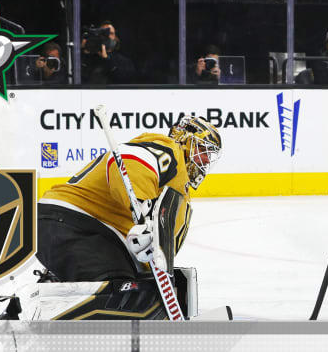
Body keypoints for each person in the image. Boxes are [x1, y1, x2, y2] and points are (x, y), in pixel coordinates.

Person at [34, 116, 223, 319]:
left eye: (209, 156)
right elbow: (128, 158)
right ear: (184, 139)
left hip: (86, 231)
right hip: (72, 222)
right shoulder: (169, 149)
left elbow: (157, 248)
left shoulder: (180, 191)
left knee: (140, 292)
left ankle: (53, 294)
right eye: (202, 150)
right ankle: (41, 330)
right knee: (122, 297)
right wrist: (143, 207)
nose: (205, 161)